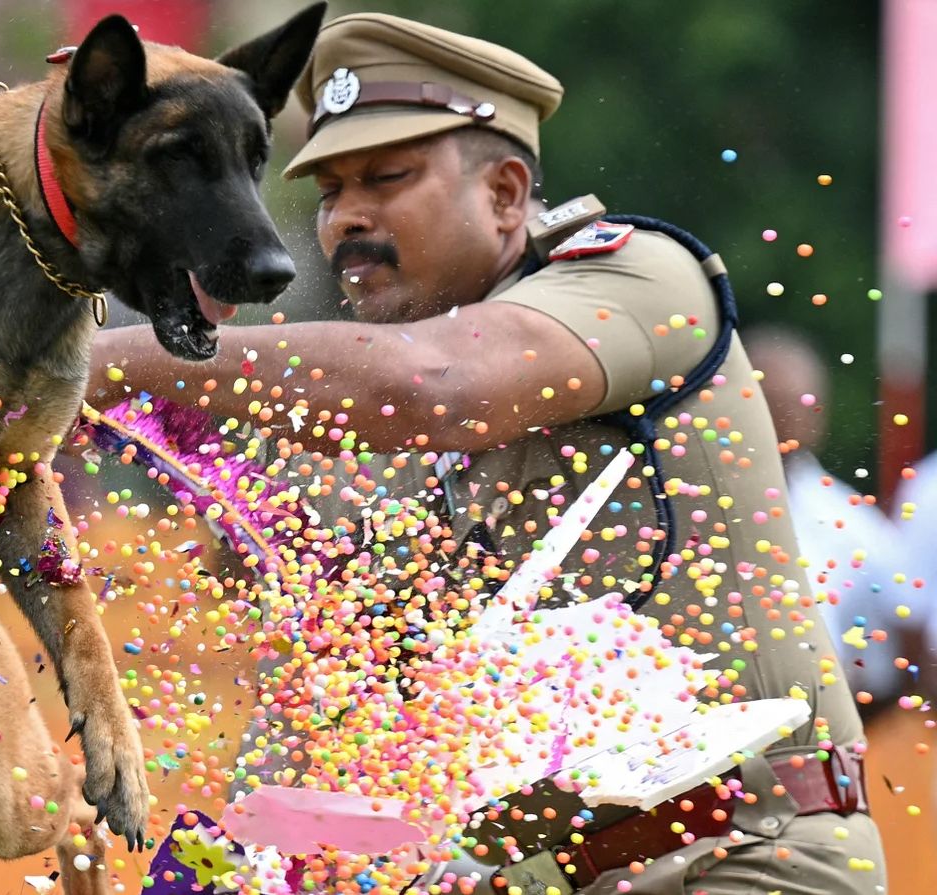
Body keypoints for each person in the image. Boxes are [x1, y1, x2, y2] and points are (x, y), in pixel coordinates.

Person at [90, 12, 883, 894]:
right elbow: (322, 714)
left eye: (385, 178)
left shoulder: (641, 275)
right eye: (328, 193)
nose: (347, 217)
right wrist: (205, 875)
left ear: (507, 192)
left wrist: (109, 365)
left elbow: (432, 387)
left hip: (736, 858)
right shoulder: (367, 443)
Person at [742, 325, 911, 711]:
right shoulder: (690, 496)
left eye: (805, 404)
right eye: (775, 400)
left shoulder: (845, 515)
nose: (789, 417)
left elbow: (905, 625)